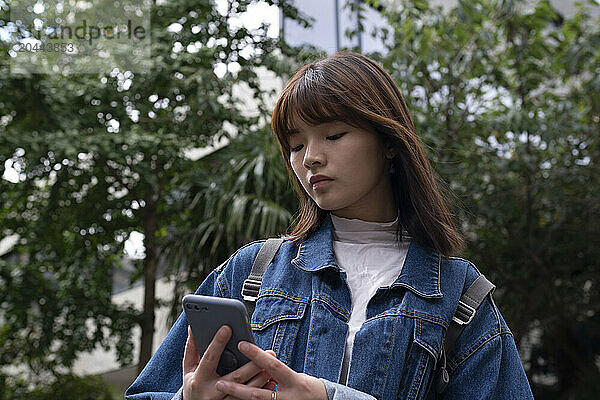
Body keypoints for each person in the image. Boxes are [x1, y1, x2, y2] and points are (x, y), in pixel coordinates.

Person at [125, 51, 534, 400]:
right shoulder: (252, 273)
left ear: (390, 142)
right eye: (297, 144)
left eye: (333, 134)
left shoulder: (461, 298)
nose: (310, 158)